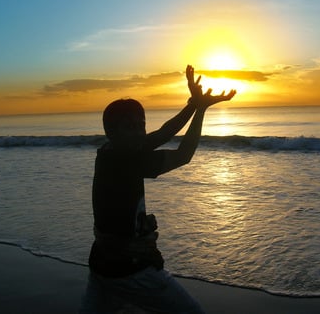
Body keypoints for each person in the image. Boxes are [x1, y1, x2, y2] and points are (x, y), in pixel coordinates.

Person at [80, 65, 236, 313]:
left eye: (141, 125)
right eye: (129, 126)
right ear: (112, 132)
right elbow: (184, 154)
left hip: (101, 264)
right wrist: (201, 109)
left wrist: (192, 104)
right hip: (129, 271)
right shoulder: (129, 162)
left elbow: (164, 132)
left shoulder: (108, 153)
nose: (139, 132)